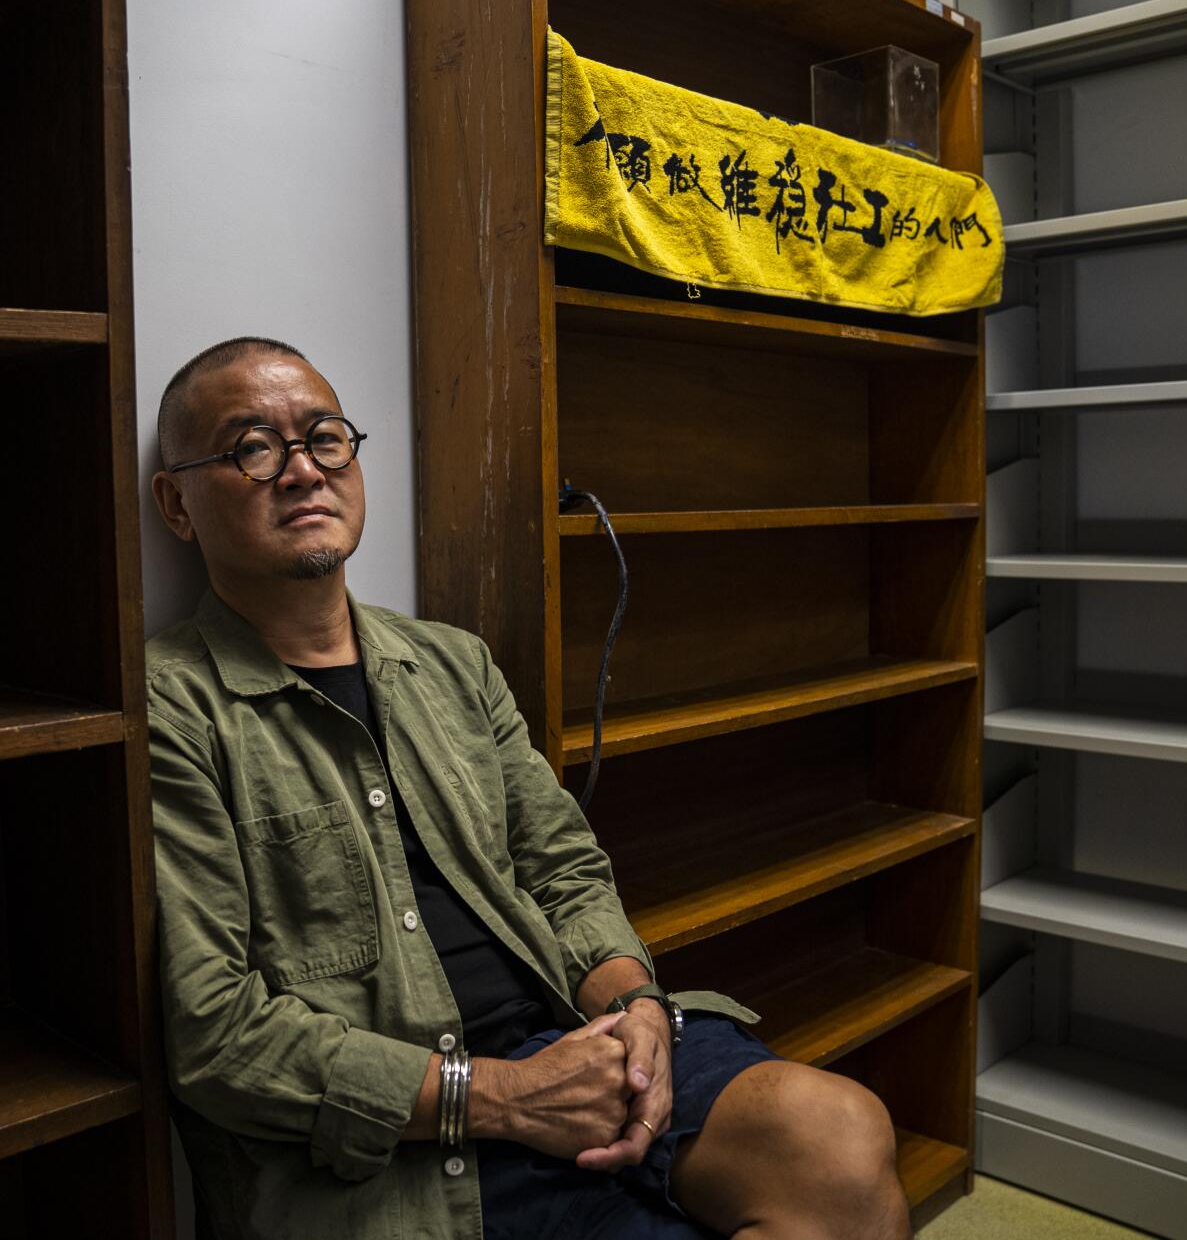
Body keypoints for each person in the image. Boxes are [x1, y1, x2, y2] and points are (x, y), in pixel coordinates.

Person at [145, 336, 912, 1240]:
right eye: (252, 448)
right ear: (177, 505)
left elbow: (564, 870)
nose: (303, 470)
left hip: (564, 1036)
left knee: (842, 1140)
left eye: (325, 437)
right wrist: (504, 1098)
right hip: (401, 1138)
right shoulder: (167, 708)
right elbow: (216, 1032)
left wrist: (635, 1013)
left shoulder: (451, 663)